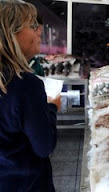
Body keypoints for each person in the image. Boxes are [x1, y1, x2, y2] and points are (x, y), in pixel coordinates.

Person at [0, 1, 60, 191]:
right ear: (12, 33)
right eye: (32, 26)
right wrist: (52, 107)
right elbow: (44, 146)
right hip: (27, 184)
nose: (39, 32)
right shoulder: (25, 84)